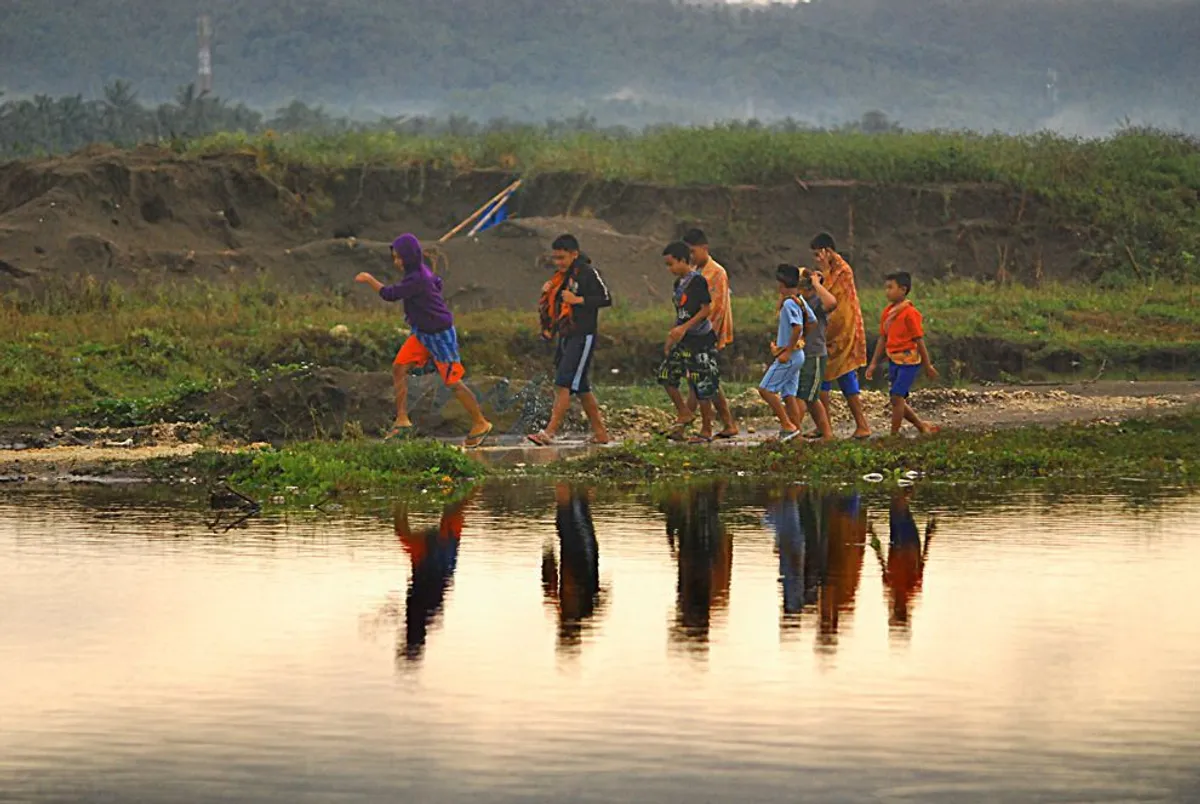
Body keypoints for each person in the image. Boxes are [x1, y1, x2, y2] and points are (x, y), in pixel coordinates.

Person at [355, 234, 493, 447]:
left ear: (410, 257)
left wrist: (369, 280)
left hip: (439, 335)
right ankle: (402, 420)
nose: (397, 263)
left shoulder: (416, 279)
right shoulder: (420, 274)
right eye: (395, 258)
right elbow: (437, 282)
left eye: (399, 258)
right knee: (399, 367)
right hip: (422, 333)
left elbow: (390, 294)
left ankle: (480, 422)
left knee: (453, 382)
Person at [528, 234, 612, 446]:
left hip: (583, 335)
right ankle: (601, 433)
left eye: (562, 258)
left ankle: (550, 431)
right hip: (566, 335)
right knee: (582, 388)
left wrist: (579, 300)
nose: (558, 263)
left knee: (563, 382)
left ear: (574, 254)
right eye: (555, 258)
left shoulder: (588, 273)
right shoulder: (561, 276)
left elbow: (606, 298)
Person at [394, 491, 474, 664]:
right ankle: (400, 500)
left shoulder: (429, 615)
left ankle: (400, 499)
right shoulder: (428, 615)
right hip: (437, 558)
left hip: (434, 558)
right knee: (455, 507)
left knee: (402, 528)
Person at [658, 241, 721, 444]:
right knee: (666, 375)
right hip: (684, 339)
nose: (669, 270)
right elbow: (681, 315)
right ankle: (684, 413)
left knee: (701, 383)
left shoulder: (698, 282)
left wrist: (684, 328)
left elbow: (706, 310)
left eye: (671, 264)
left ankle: (706, 429)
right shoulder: (678, 285)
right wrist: (672, 337)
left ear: (683, 260)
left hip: (700, 339)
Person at [810, 232, 871, 439]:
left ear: (827, 251)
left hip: (842, 333)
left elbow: (838, 304)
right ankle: (824, 426)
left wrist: (821, 280)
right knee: (824, 381)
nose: (817, 259)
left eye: (818, 254)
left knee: (845, 377)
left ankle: (861, 425)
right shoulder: (826, 272)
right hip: (827, 335)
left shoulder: (843, 272)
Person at [865, 271, 940, 436]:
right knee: (895, 399)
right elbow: (883, 339)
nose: (887, 292)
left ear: (903, 290)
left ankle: (894, 434)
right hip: (894, 360)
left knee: (897, 397)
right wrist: (873, 363)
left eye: (891, 288)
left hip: (909, 361)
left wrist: (927, 365)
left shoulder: (910, 313)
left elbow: (919, 340)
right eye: (886, 288)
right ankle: (921, 426)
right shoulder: (888, 312)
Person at [681, 229, 739, 438]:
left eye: (693, 251)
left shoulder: (717, 273)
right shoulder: (695, 271)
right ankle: (723, 423)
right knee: (703, 380)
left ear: (704, 249)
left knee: (702, 379)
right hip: (696, 332)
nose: (691, 256)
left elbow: (716, 308)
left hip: (707, 334)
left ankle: (701, 426)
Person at [541, 484, 605, 653]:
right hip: (582, 551)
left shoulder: (575, 610)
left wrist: (548, 556)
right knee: (574, 512)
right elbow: (550, 583)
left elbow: (550, 583)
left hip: (579, 550)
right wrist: (548, 557)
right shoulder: (585, 611)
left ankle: (578, 486)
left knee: (571, 513)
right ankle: (580, 486)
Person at [757, 264, 815, 442]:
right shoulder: (799, 299)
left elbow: (797, 327)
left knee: (765, 390)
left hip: (790, 356)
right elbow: (811, 321)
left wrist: (787, 351)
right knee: (789, 395)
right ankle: (796, 433)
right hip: (797, 354)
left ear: (781, 284)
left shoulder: (789, 303)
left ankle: (787, 425)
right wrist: (800, 342)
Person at [871, 488, 936, 637]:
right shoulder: (910, 589)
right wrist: (928, 536)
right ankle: (907, 486)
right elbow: (922, 563)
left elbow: (882, 564)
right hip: (908, 545)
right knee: (899, 508)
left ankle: (905, 486)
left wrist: (874, 538)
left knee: (897, 507)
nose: (897, 609)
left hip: (899, 544)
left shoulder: (893, 590)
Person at [797, 267, 838, 441]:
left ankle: (824, 434)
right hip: (801, 353)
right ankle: (796, 431)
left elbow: (832, 303)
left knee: (808, 397)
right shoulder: (798, 301)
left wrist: (817, 284)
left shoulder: (816, 302)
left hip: (814, 354)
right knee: (804, 396)